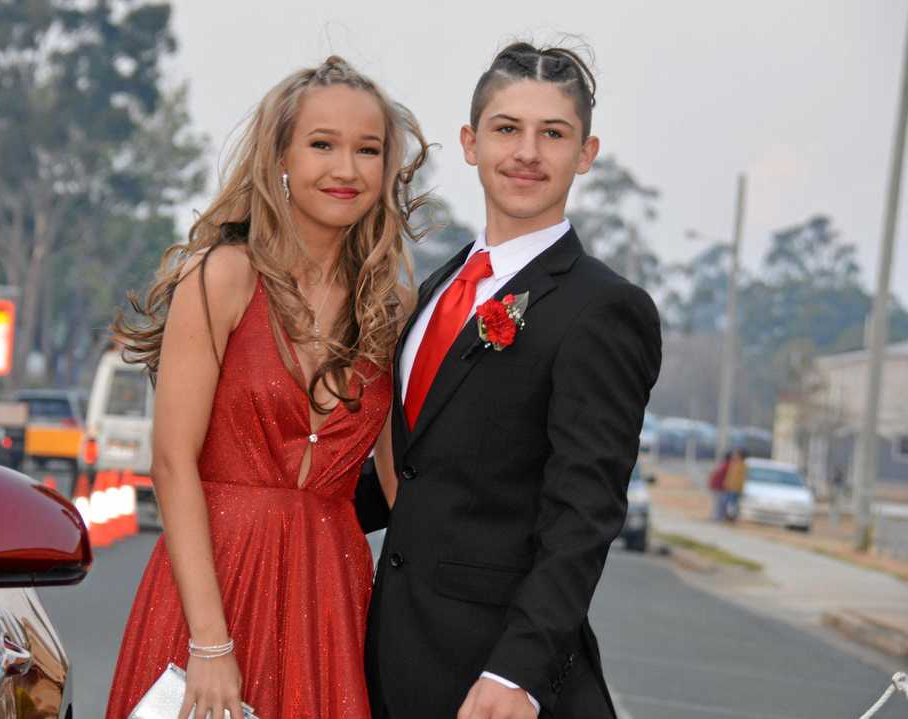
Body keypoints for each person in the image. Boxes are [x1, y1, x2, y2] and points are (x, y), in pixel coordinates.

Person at [103, 55, 429, 719]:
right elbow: (172, 462)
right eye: (322, 144)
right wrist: (211, 642)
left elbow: (404, 485)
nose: (346, 169)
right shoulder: (222, 276)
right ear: (279, 155)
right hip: (209, 593)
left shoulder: (393, 308)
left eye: (368, 150)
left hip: (331, 603)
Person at [354, 42, 662, 718]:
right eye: (507, 128)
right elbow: (413, 471)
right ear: (470, 142)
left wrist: (517, 672)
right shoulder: (434, 288)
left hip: (496, 682)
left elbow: (583, 513)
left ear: (586, 152)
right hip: (389, 655)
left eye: (552, 133)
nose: (527, 152)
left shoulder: (603, 309)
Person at [723, 448, 747, 521]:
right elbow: (729, 476)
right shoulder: (734, 464)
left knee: (733, 504)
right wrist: (726, 484)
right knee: (728, 503)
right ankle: (728, 516)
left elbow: (741, 479)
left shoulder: (742, 465)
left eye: (736, 454)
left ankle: (731, 517)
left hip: (735, 488)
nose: (734, 455)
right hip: (730, 488)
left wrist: (738, 488)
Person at [709, 452, 731, 521]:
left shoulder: (725, 465)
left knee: (718, 504)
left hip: (719, 487)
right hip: (719, 487)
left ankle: (716, 517)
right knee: (718, 503)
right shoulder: (726, 465)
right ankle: (716, 517)